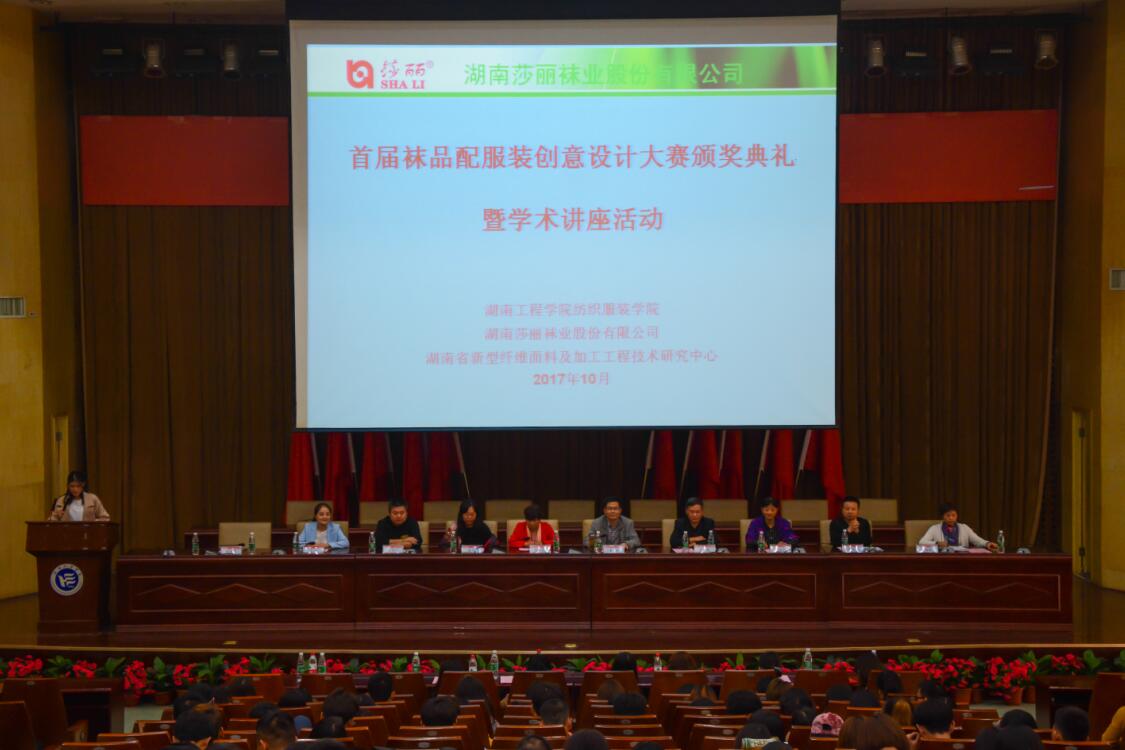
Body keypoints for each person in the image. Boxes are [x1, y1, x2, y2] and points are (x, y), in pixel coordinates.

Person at [917, 502, 999, 550]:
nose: (951, 518)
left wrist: (987, 543)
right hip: (942, 558)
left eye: (953, 515)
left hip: (962, 558)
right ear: (942, 516)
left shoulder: (964, 527)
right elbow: (922, 542)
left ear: (957, 516)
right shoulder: (934, 528)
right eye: (948, 515)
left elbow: (977, 540)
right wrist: (937, 543)